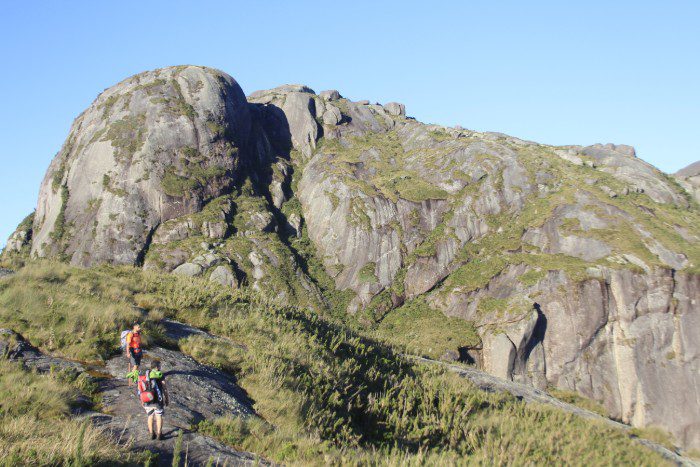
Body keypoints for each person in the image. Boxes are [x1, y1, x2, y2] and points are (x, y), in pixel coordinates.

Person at [138, 360, 169, 440]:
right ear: (156, 367)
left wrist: (142, 400)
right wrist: (167, 398)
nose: (160, 367)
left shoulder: (145, 374)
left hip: (147, 399)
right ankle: (159, 434)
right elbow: (164, 388)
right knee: (159, 416)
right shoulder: (159, 375)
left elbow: (140, 388)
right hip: (158, 400)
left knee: (150, 416)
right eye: (159, 366)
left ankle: (151, 434)